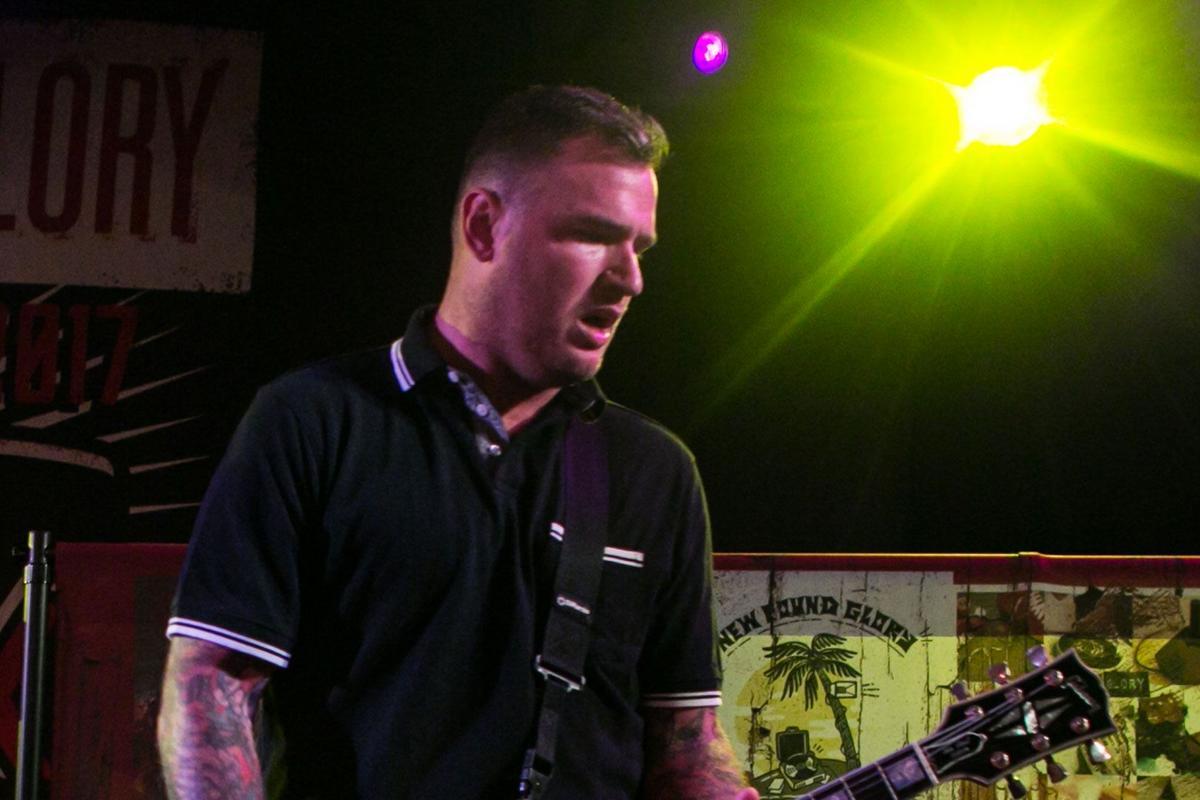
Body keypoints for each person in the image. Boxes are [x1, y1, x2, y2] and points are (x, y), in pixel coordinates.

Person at [157, 84, 758, 800]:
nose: (631, 278)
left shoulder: (653, 471)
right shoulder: (313, 421)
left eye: (640, 247)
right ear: (483, 226)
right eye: (594, 235)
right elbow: (212, 688)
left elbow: (686, 744)